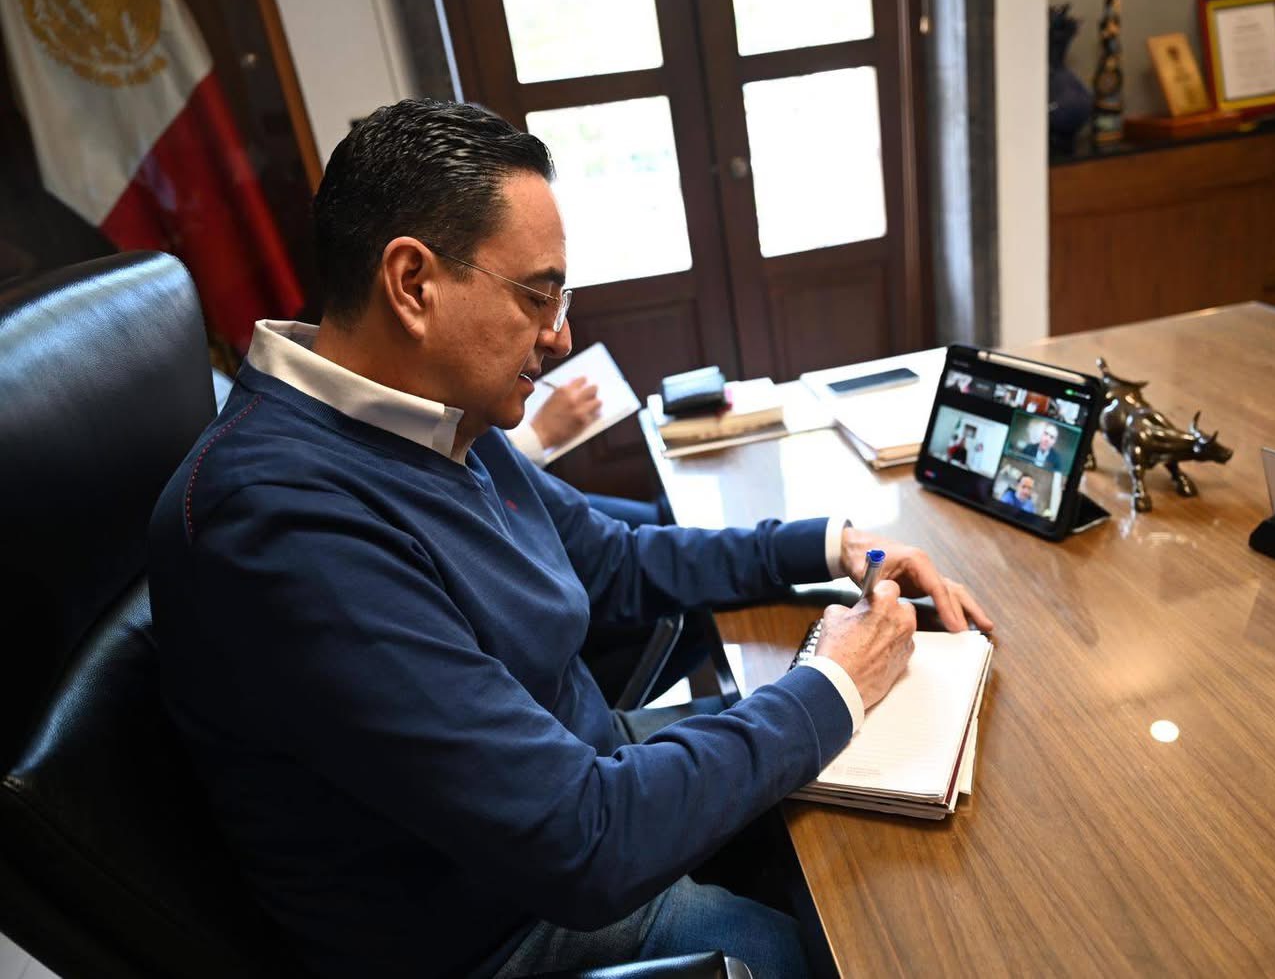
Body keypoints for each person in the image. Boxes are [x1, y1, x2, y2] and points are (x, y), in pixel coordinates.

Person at [147, 99, 992, 979]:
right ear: (413, 283)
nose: (561, 333)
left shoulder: (432, 418)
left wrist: (829, 546)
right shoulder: (283, 523)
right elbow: (582, 842)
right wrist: (836, 680)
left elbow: (612, 558)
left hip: (582, 781)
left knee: (879, 791)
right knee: (868, 946)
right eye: (538, 293)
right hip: (499, 927)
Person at [510, 377, 668, 528]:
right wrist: (539, 434)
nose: (563, 347)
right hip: (517, 507)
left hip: (531, 495)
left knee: (664, 518)